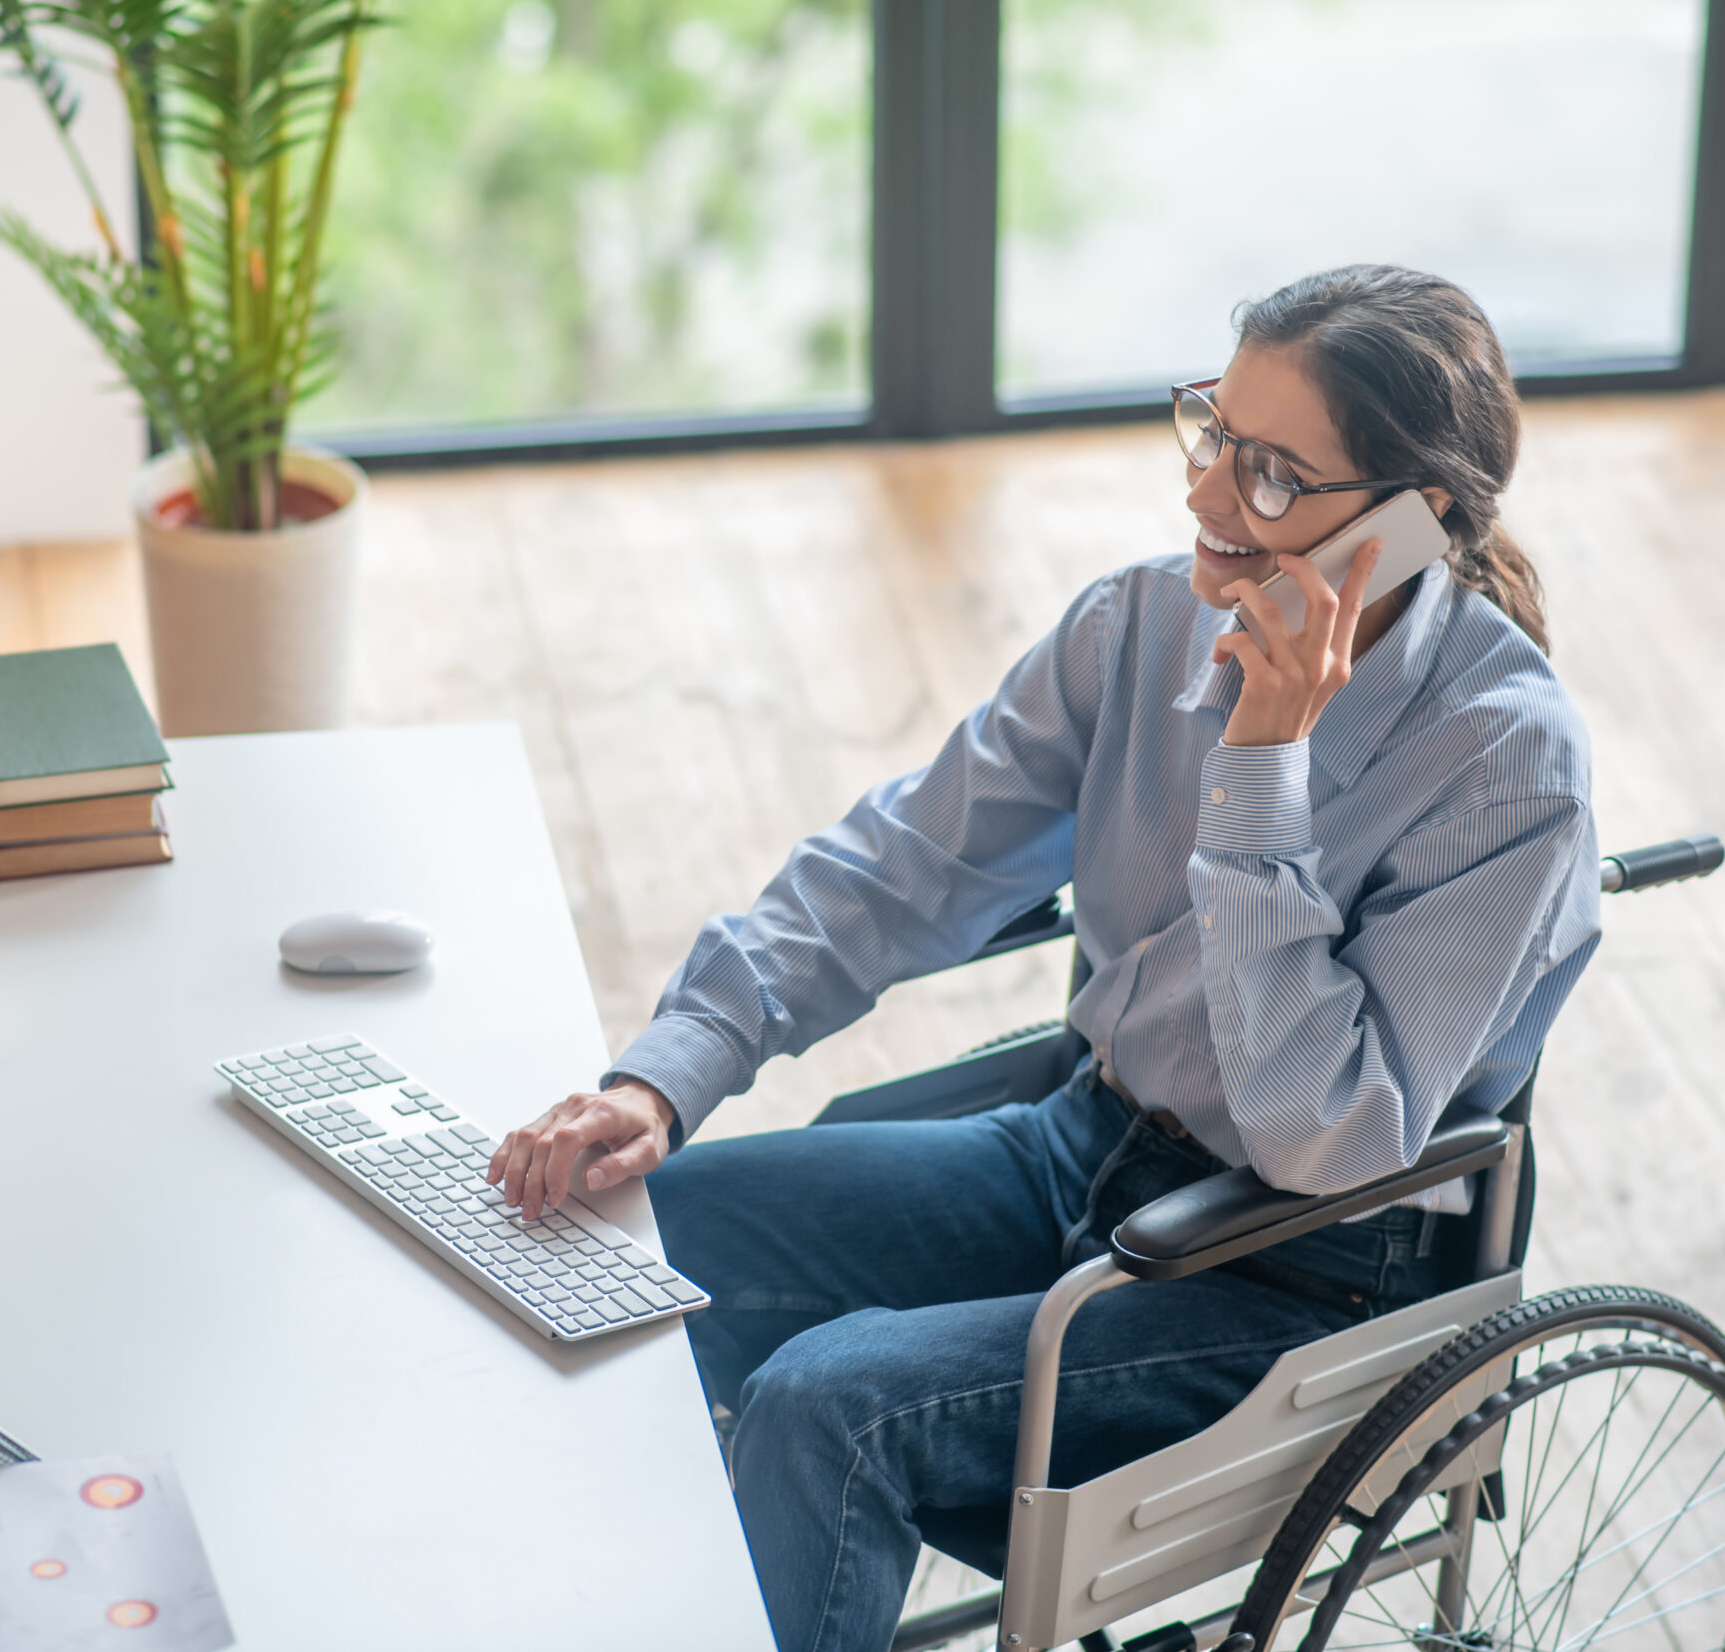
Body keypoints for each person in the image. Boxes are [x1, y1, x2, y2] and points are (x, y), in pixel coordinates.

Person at [487, 264, 1604, 1652]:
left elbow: (1324, 1133)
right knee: (656, 1233)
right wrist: (667, 1076)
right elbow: (907, 864)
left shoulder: (1508, 768)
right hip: (1086, 1152)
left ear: (1413, 525)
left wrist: (1262, 769)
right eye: (1213, 436)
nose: (1205, 499)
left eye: (1269, 477)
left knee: (830, 1402)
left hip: (1301, 1272)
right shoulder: (1139, 624)